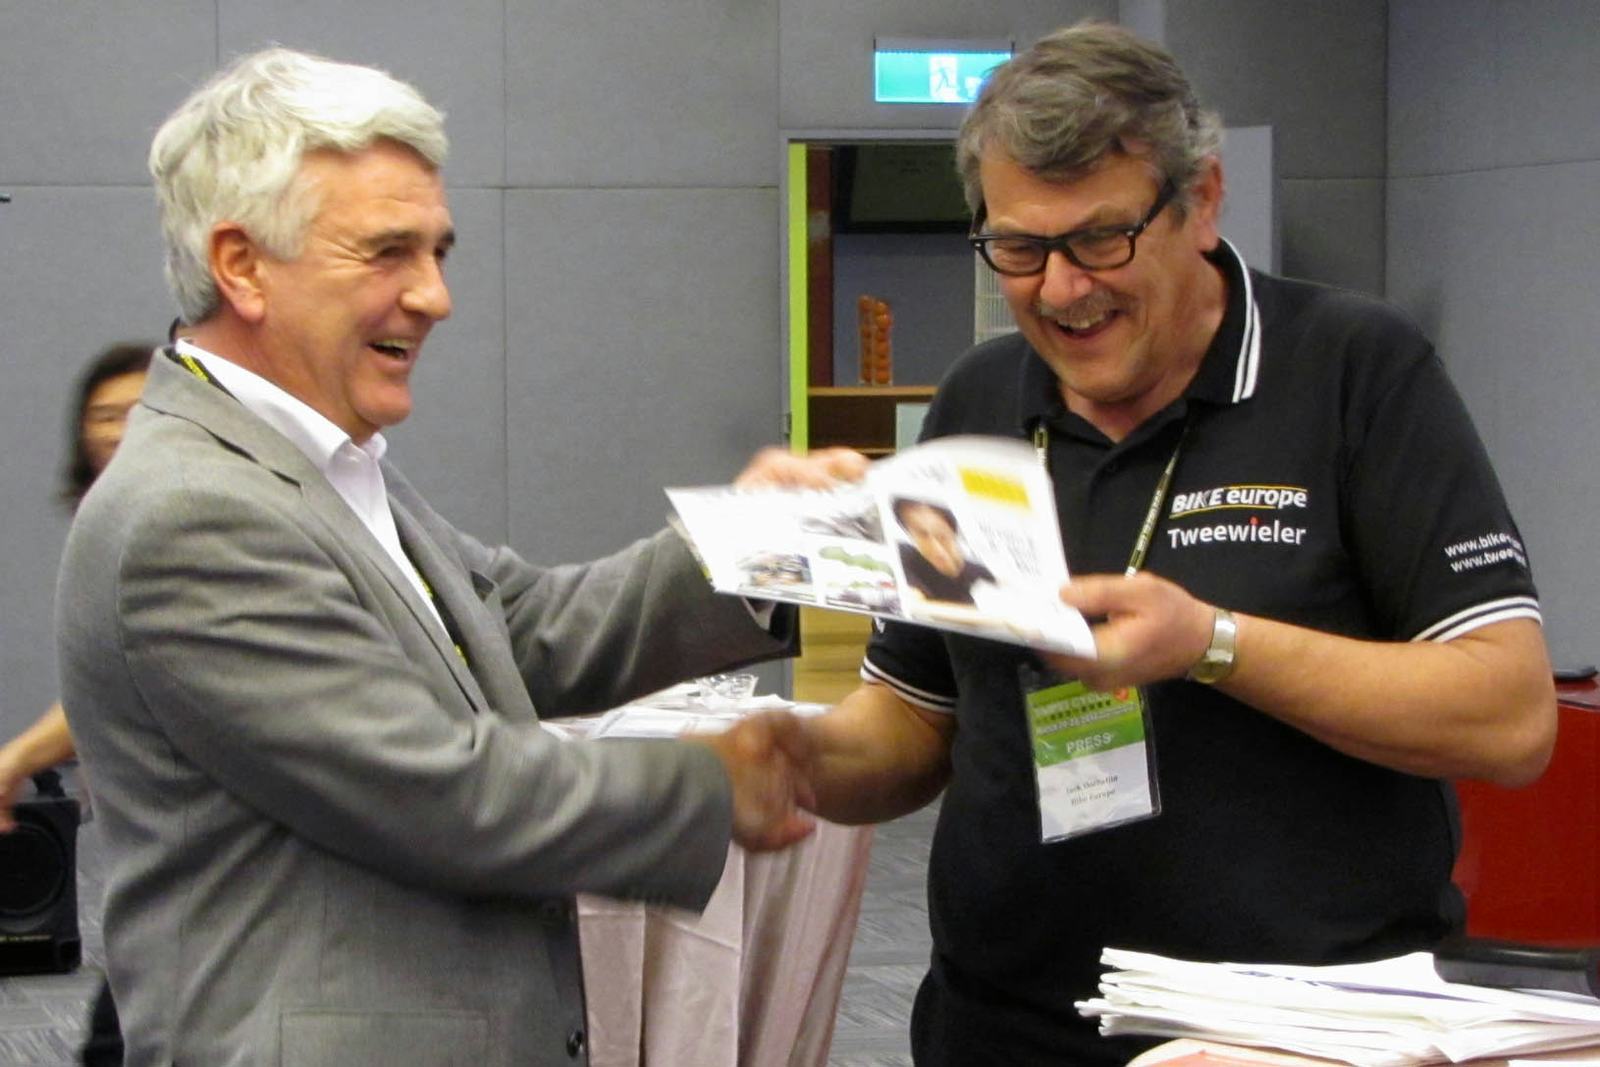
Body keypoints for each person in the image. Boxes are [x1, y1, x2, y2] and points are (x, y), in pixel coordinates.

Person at [55, 48, 862, 1067]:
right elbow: (435, 790)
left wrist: (753, 547)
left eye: (438, 251)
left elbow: (519, 629)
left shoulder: (319, 465)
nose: (434, 296)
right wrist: (706, 785)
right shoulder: (192, 511)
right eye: (387, 252)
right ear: (242, 265)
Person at [795, 22, 1557, 1066]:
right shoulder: (978, 398)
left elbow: (1509, 716)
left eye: (1100, 239)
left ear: (1202, 200)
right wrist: (791, 760)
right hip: (1005, 1024)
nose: (1062, 289)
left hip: (1290, 1033)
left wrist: (1212, 643)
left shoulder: (1356, 372)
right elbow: (915, 715)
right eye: (1019, 248)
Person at [0, 342, 151, 1067]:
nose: (119, 429)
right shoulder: (107, 522)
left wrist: (16, 759)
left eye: (136, 410)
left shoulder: (168, 523)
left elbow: (132, 672)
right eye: (104, 414)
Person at [890, 497, 996, 606]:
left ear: (953, 530)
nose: (936, 548)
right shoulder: (905, 557)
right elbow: (912, 596)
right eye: (922, 534)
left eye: (941, 535)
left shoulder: (982, 574)